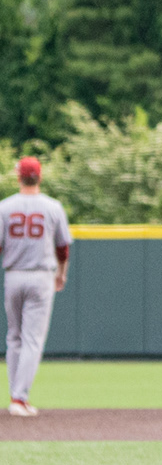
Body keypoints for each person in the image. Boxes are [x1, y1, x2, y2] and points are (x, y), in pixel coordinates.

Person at [2, 158, 70, 418]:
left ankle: (15, 396)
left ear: (19, 177)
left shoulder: (4, 207)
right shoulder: (52, 207)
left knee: (14, 337)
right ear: (39, 177)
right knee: (31, 340)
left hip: (14, 275)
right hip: (41, 276)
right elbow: (63, 248)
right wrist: (61, 275)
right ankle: (19, 398)